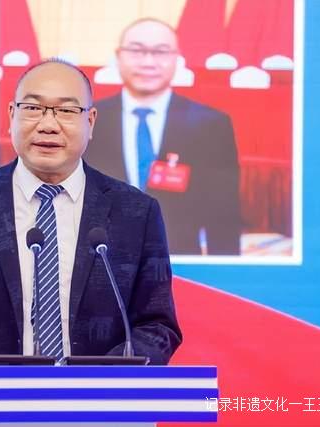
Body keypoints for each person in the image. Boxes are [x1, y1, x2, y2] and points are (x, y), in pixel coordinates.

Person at [0, 59, 181, 367]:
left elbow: (157, 325)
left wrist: (100, 379)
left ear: (90, 121)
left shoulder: (136, 213)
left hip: (101, 396)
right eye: (33, 108)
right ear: (11, 115)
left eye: (66, 110)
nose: (48, 124)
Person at [84, 18, 241, 255]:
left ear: (177, 59)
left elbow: (223, 213)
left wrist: (224, 268)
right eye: (136, 50)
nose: (148, 62)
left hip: (179, 260)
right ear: (118, 57)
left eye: (160, 52)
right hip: (102, 259)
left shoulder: (211, 124)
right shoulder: (89, 119)